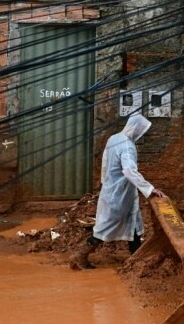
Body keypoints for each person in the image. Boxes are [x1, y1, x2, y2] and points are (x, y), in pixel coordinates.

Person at [71, 114, 165, 270]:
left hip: (114, 190)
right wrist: (149, 188)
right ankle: (80, 255)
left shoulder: (114, 138)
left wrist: (105, 183)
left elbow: (104, 164)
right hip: (119, 194)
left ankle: (135, 257)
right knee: (105, 227)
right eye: (141, 131)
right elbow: (129, 171)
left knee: (133, 223)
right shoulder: (127, 146)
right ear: (136, 129)